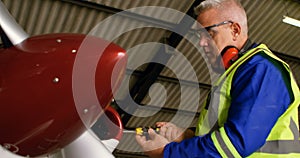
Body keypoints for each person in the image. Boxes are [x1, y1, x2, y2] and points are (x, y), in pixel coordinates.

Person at [136, 0, 300, 157]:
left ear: (235, 30)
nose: (201, 43)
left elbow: (234, 144)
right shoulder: (235, 72)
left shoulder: (262, 70)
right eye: (198, 35)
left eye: (209, 34)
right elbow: (222, 131)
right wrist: (186, 135)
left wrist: (167, 152)